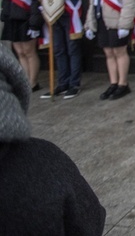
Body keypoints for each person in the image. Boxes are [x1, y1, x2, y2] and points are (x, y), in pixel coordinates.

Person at [0, 42, 106, 234]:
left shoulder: (44, 164)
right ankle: (64, 82)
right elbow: (91, 221)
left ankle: (73, 82)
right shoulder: (45, 162)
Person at [41, 0, 89, 99]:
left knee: (72, 49)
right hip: (55, 13)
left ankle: (74, 83)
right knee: (59, 50)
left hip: (70, 12)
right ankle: (62, 82)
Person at [84, 0, 135, 100]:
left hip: (117, 23)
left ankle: (123, 84)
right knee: (108, 53)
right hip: (102, 23)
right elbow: (92, 6)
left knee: (119, 52)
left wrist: (125, 25)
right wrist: (89, 25)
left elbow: (129, 5)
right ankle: (113, 83)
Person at [1, 0, 43, 92]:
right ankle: (25, 81)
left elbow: (36, 4)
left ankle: (33, 82)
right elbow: (6, 1)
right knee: (19, 52)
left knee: (29, 51)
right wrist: (4, 15)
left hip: (27, 21)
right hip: (13, 20)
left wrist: (34, 23)